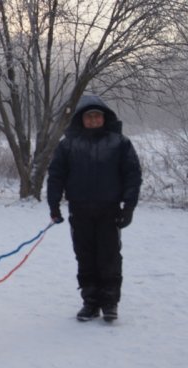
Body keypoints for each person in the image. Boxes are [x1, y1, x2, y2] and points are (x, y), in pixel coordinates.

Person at [47, 94, 142, 323]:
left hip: (109, 210)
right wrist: (54, 205)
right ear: (81, 119)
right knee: (85, 257)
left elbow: (132, 175)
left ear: (104, 118)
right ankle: (90, 302)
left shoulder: (119, 143)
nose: (93, 120)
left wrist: (128, 207)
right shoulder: (68, 144)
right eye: (88, 117)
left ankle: (110, 303)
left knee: (109, 257)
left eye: (97, 116)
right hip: (79, 211)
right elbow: (56, 176)